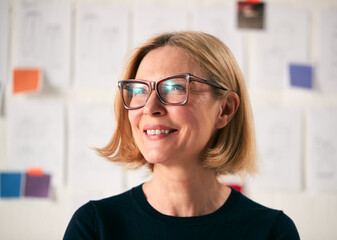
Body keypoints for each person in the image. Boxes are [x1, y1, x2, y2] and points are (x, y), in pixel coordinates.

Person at [63, 31, 300, 240]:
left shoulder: (272, 232)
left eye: (175, 87)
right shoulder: (95, 226)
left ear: (225, 109)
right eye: (139, 90)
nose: (150, 107)